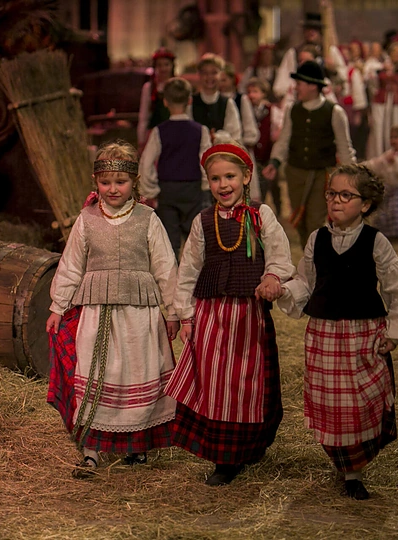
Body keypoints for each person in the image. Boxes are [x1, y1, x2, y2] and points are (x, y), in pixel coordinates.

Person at [277, 163, 398, 500]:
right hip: (324, 335)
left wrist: (396, 330)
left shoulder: (376, 241)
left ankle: (355, 467)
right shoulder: (317, 239)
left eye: (346, 195)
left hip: (363, 335)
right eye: (331, 194)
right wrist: (284, 291)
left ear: (365, 204)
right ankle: (346, 468)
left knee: (361, 401)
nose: (335, 201)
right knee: (330, 402)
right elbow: (305, 281)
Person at [46, 141, 180, 478]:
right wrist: (57, 305)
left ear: (133, 182)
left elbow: (166, 267)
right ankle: (92, 449)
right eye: (106, 182)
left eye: (120, 182)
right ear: (95, 181)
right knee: (98, 373)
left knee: (136, 370)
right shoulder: (87, 219)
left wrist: (175, 310)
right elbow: (71, 265)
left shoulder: (148, 219)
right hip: (96, 314)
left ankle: (135, 444)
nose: (112, 189)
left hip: (139, 317)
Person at [165, 142, 295, 486]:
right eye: (215, 178)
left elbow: (280, 255)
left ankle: (249, 445)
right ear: (207, 182)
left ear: (246, 176)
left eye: (230, 177)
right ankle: (223, 456)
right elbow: (189, 268)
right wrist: (186, 315)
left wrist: (272, 276)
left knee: (244, 384)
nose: (223, 185)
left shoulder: (261, 214)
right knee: (215, 383)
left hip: (248, 317)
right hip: (211, 315)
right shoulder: (203, 221)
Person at [263, 60, 356, 249]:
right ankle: (309, 259)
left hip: (322, 176)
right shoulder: (292, 110)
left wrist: (352, 175)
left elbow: (344, 146)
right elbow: (284, 140)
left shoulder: (334, 112)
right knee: (300, 221)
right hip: (295, 173)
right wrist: (275, 161)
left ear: (313, 86)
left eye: (299, 84)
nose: (296, 88)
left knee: (316, 221)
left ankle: (315, 261)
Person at [139, 77, 212, 255]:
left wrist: (152, 190)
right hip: (193, 190)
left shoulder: (159, 131)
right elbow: (207, 161)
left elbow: (146, 163)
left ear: (165, 102)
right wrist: (205, 185)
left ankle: (172, 280)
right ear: (190, 100)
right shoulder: (200, 130)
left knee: (170, 244)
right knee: (196, 241)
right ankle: (194, 279)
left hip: (167, 191)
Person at [273, 12, 348, 102]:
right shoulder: (294, 53)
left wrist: (333, 70)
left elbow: (343, 78)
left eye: (315, 29)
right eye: (308, 29)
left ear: (320, 32)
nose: (311, 32)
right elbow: (284, 77)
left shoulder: (330, 51)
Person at [363, 126, 398, 240]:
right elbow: (377, 163)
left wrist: (395, 161)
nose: (393, 140)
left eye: (396, 137)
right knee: (385, 210)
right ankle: (386, 231)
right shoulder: (389, 153)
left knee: (397, 211)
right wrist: (363, 166)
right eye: (391, 137)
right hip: (388, 188)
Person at [246, 77, 284, 214]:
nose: (251, 95)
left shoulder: (271, 110)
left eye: (255, 91)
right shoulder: (246, 110)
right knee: (259, 186)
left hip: (268, 154)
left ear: (263, 93)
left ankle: (278, 210)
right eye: (249, 92)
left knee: (273, 185)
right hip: (254, 156)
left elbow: (279, 127)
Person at [190, 53, 242, 144]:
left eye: (214, 72)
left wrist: (217, 137)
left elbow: (235, 135)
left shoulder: (227, 103)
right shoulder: (191, 102)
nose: (209, 77)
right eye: (205, 73)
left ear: (221, 75)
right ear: (199, 75)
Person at [137, 48, 176, 149]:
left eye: (166, 64)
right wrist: (141, 140)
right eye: (159, 65)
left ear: (172, 66)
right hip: (154, 136)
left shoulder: (178, 86)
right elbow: (144, 116)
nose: (163, 68)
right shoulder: (149, 88)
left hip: (175, 133)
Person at [218, 62, 260, 151]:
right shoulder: (217, 100)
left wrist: (240, 144)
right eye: (219, 80)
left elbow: (249, 124)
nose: (221, 84)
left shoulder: (241, 99)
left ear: (232, 79)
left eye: (224, 80)